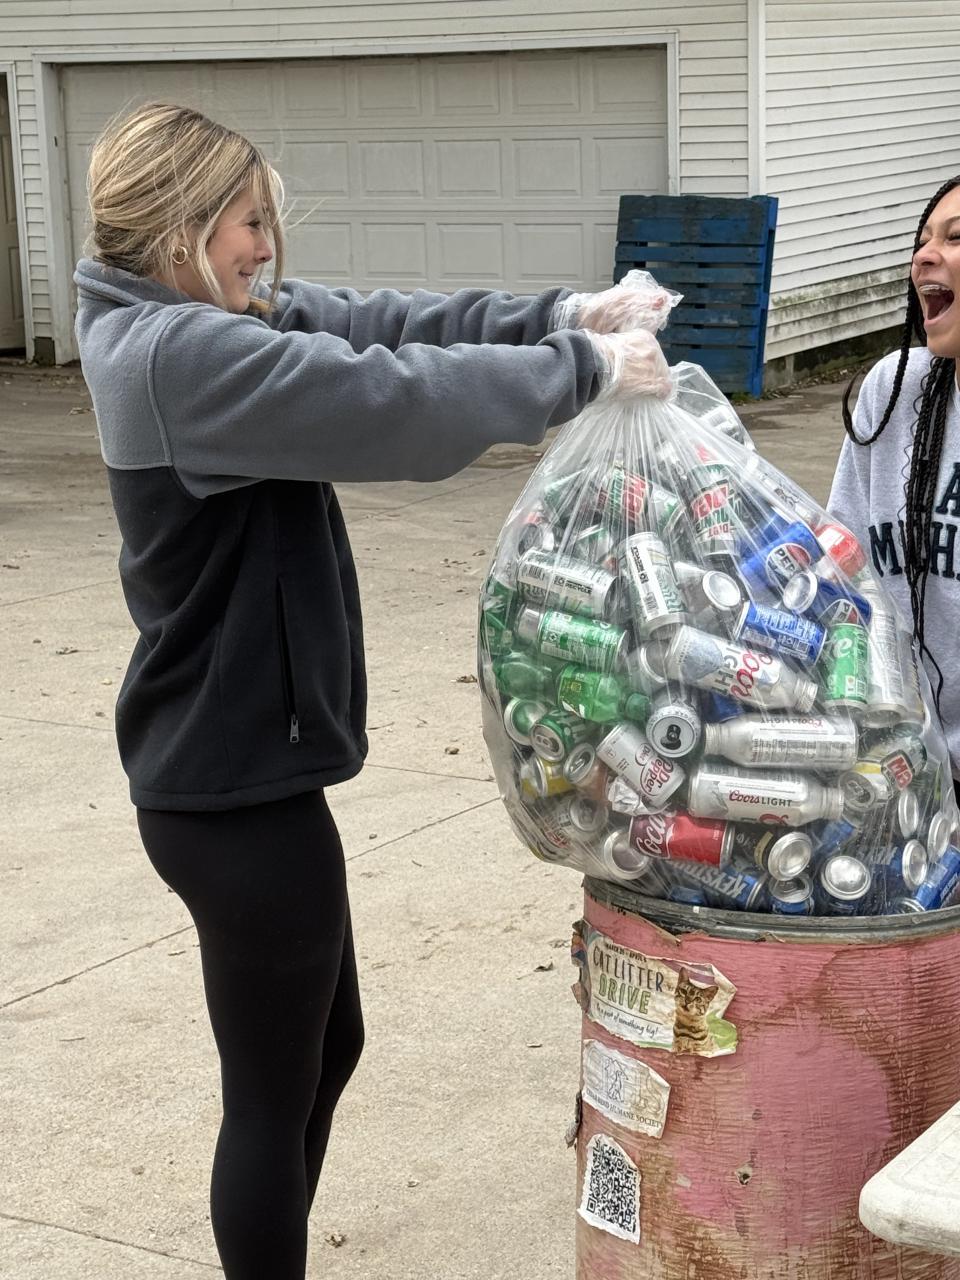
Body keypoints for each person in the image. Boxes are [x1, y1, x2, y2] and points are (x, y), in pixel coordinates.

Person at [75, 101, 673, 1280]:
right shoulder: (179, 355)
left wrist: (563, 315)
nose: (267, 248)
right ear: (183, 223)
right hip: (233, 790)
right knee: (270, 1091)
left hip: (234, 771)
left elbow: (378, 323)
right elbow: (389, 401)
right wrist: (579, 370)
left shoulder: (193, 322)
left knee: (322, 1048)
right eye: (250, 221)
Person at [828, 176, 960, 796]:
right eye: (923, 239)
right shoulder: (895, 391)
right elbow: (840, 569)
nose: (924, 256)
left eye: (955, 238)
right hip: (895, 767)